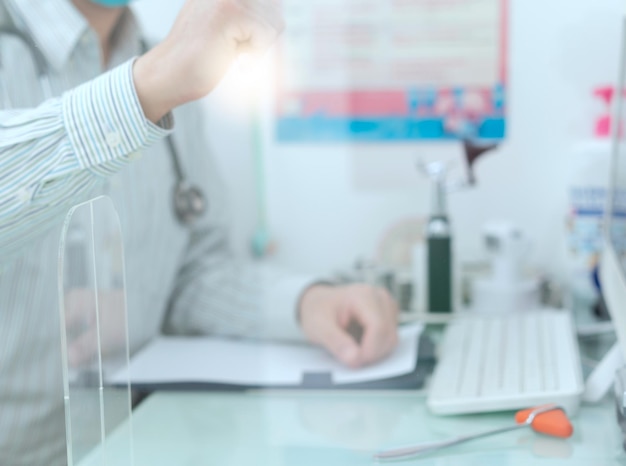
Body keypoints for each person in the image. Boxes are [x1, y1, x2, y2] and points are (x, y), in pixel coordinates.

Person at [0, 0, 399, 464]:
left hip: (134, 440)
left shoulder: (169, 69)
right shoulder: (160, 74)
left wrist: (307, 303)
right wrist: (146, 88)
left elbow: (191, 274)